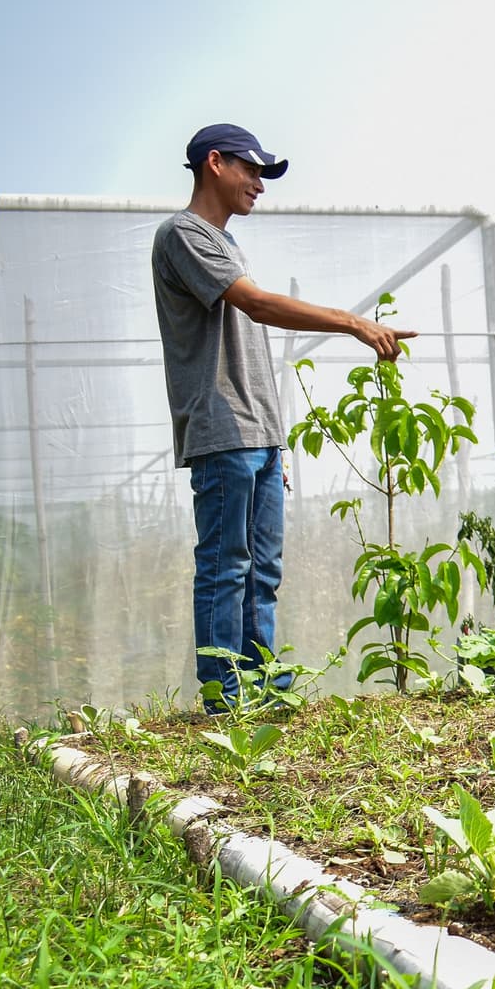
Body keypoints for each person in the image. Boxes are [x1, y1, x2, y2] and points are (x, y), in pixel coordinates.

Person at [152, 123, 412, 710]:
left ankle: (263, 685)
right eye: (252, 171)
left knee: (262, 570)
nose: (260, 186)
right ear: (214, 163)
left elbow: (246, 341)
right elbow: (257, 305)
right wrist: (352, 322)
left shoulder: (224, 244)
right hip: (222, 431)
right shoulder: (183, 236)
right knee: (226, 565)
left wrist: (275, 440)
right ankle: (225, 696)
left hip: (256, 434)